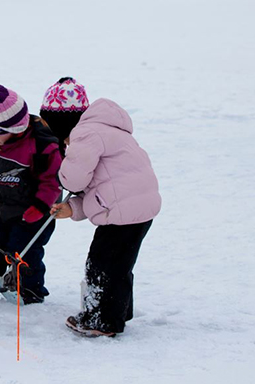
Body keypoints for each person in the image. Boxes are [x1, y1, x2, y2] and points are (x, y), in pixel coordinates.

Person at [49, 85, 161, 338]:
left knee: (102, 265)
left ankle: (102, 320)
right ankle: (117, 312)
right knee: (119, 264)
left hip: (123, 210)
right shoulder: (108, 130)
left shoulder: (85, 135)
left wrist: (63, 165)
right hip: (137, 207)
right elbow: (103, 186)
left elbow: (73, 181)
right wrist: (73, 208)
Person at [0, 81, 63, 304]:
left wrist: (41, 207)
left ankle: (30, 290)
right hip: (5, 206)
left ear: (15, 128)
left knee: (23, 249)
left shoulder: (42, 147)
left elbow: (52, 182)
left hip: (34, 211)